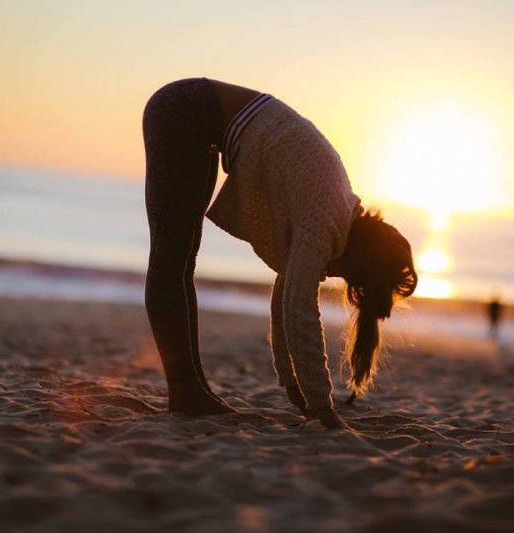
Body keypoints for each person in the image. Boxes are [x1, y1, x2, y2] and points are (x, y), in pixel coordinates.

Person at [142, 78, 417, 430]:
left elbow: (286, 294)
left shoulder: (340, 209)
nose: (332, 275)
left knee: (182, 264)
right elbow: (299, 307)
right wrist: (322, 408)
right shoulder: (325, 221)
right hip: (182, 112)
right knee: (170, 261)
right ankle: (186, 393)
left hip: (197, 119)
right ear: (361, 262)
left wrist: (294, 387)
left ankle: (192, 392)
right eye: (348, 277)